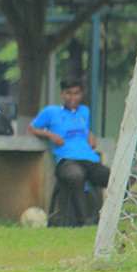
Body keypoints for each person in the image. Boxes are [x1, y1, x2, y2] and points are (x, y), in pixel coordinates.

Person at [28, 76, 110, 226]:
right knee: (76, 175)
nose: (72, 97)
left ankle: (110, 219)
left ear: (81, 95)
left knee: (116, 178)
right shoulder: (51, 112)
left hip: (89, 160)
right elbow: (31, 129)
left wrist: (90, 134)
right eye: (69, 93)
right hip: (67, 161)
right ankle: (81, 221)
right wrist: (49, 134)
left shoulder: (85, 111)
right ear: (62, 94)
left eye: (76, 93)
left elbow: (82, 129)